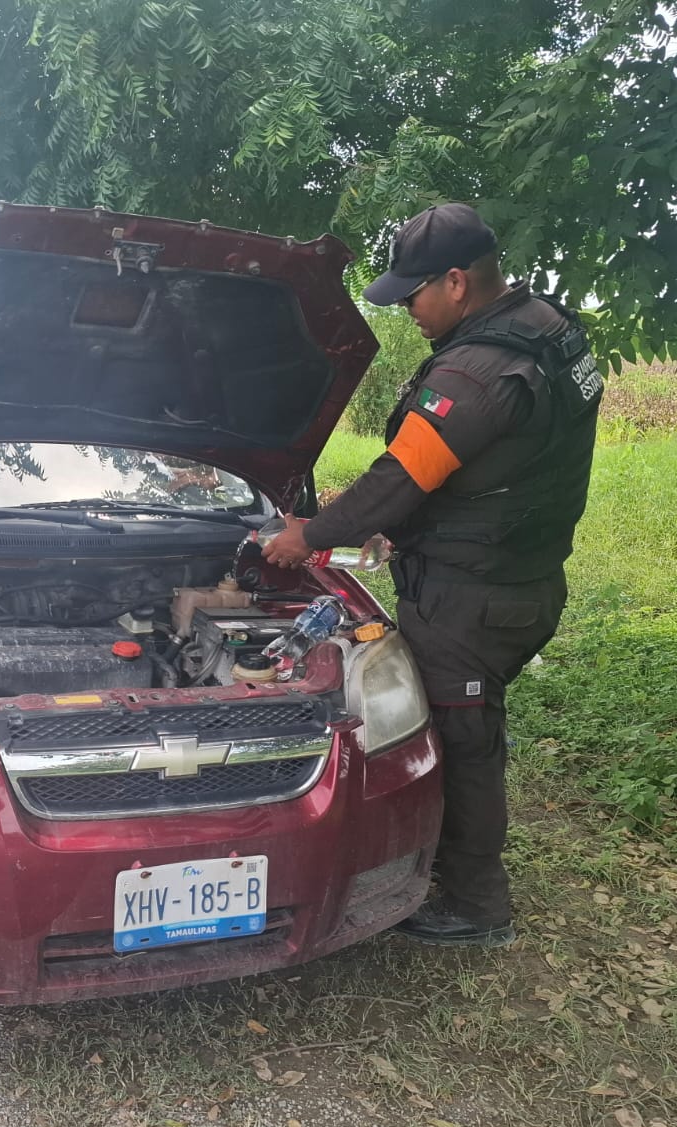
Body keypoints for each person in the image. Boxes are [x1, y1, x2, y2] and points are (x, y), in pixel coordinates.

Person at [262, 203, 604, 947]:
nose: (408, 310)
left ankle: (476, 903)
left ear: (456, 282)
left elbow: (399, 480)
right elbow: (502, 462)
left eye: (413, 294)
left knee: (462, 738)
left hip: (474, 593)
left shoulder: (474, 372)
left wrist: (310, 536)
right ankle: (450, 871)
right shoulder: (551, 329)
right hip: (522, 577)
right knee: (470, 728)